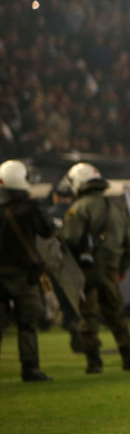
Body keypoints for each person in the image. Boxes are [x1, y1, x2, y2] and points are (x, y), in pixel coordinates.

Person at [60, 162, 130, 373]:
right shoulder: (116, 208)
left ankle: (94, 362)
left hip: (87, 270)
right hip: (112, 269)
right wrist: (121, 268)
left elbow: (69, 239)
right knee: (116, 313)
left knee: (89, 316)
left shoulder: (79, 208)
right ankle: (128, 357)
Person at [0, 159, 55, 381]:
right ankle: (30, 368)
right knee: (27, 322)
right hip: (23, 275)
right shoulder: (29, 209)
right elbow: (47, 230)